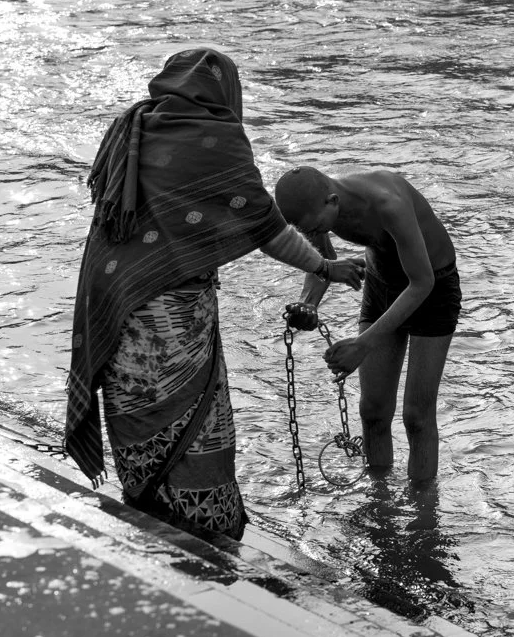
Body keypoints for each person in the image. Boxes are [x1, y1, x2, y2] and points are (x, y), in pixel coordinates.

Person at [64, 49, 362, 542]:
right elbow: (264, 226)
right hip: (174, 316)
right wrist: (325, 266)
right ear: (227, 92)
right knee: (193, 425)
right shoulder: (218, 140)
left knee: (140, 413)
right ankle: (203, 529)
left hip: (116, 302)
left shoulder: (133, 125)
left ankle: (144, 506)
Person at [273, 165, 459, 482]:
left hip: (431, 287)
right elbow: (322, 264)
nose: (313, 233)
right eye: (305, 231)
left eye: (315, 226)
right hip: (380, 282)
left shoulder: (388, 204)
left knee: (417, 416)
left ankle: (423, 516)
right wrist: (308, 304)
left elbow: (421, 283)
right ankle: (380, 500)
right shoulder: (315, 209)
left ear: (332, 201)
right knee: (372, 411)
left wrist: (363, 344)